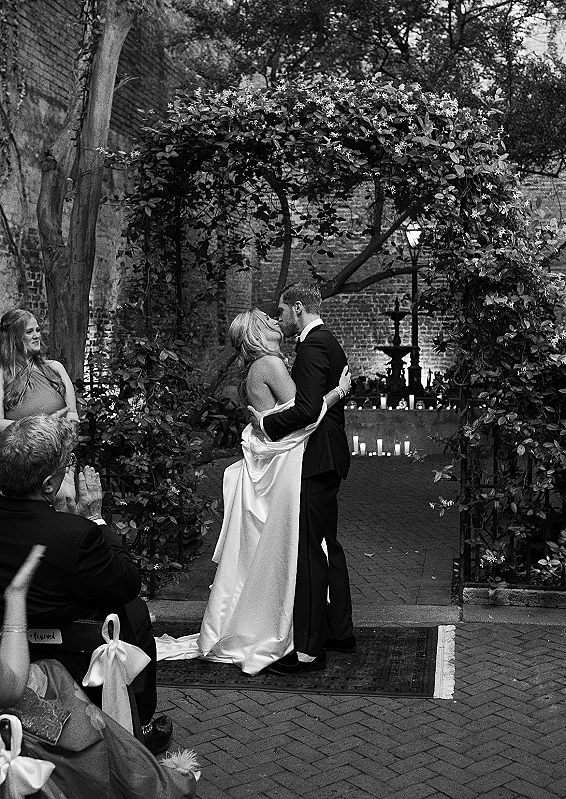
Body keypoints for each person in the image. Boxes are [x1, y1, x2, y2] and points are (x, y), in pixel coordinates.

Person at [156, 308, 350, 676]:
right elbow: (305, 418)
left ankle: (277, 623)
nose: (277, 321)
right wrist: (338, 392)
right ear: (258, 332)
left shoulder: (262, 366)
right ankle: (283, 630)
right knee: (288, 547)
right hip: (281, 466)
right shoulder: (270, 365)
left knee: (271, 549)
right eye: (269, 319)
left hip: (275, 462)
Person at [0, 414, 172, 755]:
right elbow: (127, 583)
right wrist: (95, 517)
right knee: (135, 610)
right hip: (76, 661)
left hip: (9, 651)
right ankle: (136, 726)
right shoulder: (76, 535)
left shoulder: (66, 532)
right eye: (67, 466)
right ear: (48, 485)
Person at [0, 546, 198, 798]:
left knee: (53, 674)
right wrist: (16, 596)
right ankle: (139, 763)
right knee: (82, 725)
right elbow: (127, 582)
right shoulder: (78, 537)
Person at [255, 283, 355, 675]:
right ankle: (339, 632)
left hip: (316, 459)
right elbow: (325, 399)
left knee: (310, 552)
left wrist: (264, 424)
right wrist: (337, 393)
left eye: (281, 311)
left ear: (298, 308)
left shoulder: (313, 346)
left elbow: (307, 410)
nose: (279, 318)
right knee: (328, 545)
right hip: (329, 457)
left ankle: (310, 651)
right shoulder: (328, 341)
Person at [0, 308, 79, 430]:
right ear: (14, 337)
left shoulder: (56, 368)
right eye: (29, 332)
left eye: (37, 330)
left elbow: (72, 414)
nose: (36, 336)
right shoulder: (2, 374)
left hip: (59, 441)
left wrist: (70, 421)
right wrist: (41, 426)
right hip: (21, 442)